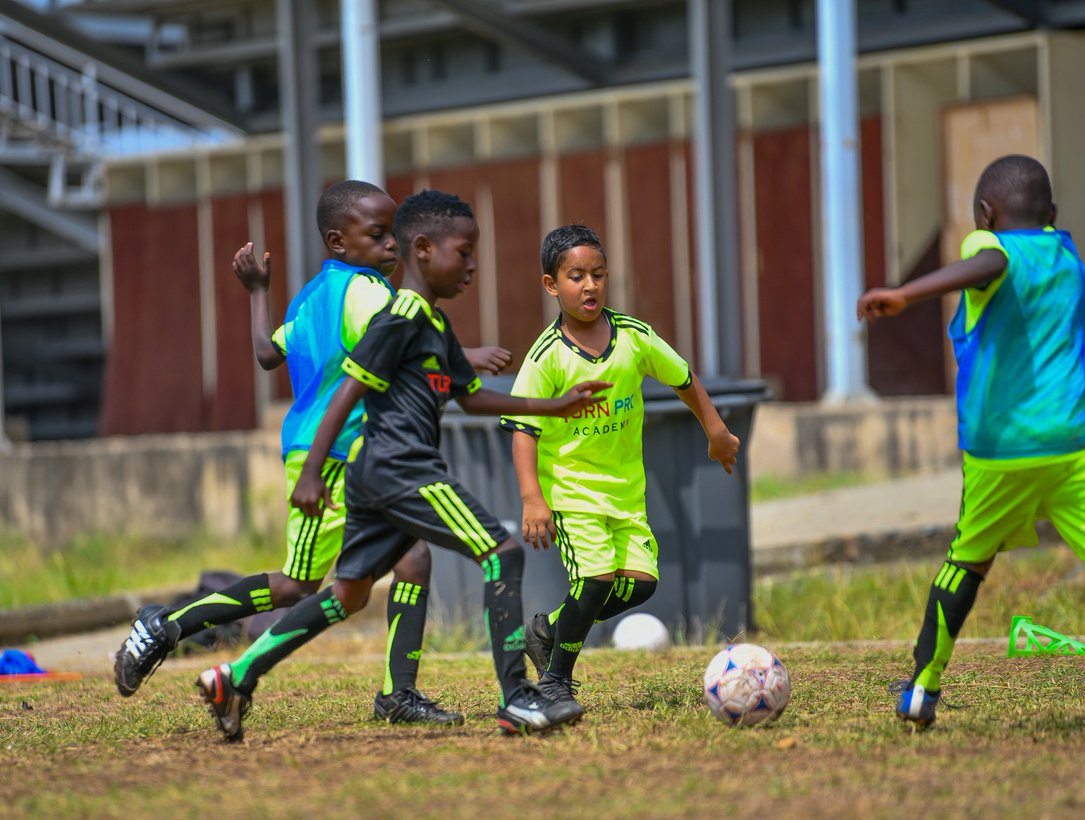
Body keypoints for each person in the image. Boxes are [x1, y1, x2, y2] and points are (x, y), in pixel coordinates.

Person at [195, 189, 610, 741]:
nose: (472, 265)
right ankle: (518, 699)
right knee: (502, 554)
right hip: (400, 468)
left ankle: (235, 676)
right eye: (463, 253)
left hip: (382, 474)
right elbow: (346, 391)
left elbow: (473, 397)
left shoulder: (433, 326)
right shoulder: (400, 316)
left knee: (347, 594)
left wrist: (555, 405)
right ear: (423, 249)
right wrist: (314, 470)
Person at [113, 179, 511, 727]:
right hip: (330, 454)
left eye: (394, 234)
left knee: (413, 559)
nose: (391, 245)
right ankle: (167, 626)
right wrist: (467, 354)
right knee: (296, 585)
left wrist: (258, 292)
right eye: (378, 235)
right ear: (338, 240)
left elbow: (265, 352)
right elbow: (399, 339)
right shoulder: (371, 293)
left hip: (339, 453)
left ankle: (399, 694)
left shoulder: (310, 296)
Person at [856, 154, 1085, 729]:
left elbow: (989, 264)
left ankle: (921, 688)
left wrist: (906, 294)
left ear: (985, 213)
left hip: (1003, 448)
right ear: (1052, 214)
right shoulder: (1072, 263)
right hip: (1077, 442)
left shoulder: (986, 246)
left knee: (966, 562)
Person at [499, 223, 741, 717]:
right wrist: (532, 498)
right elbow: (521, 428)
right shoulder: (546, 357)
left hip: (627, 493)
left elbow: (684, 378)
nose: (589, 286)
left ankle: (548, 632)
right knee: (594, 579)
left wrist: (716, 432)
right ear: (552, 285)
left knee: (641, 585)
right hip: (571, 493)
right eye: (575, 276)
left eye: (598, 274)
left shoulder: (634, 337)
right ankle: (554, 683)